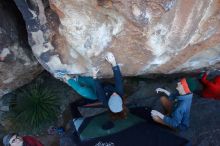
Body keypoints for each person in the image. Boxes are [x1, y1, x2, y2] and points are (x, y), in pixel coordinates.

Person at [60, 52, 127, 120]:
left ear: (109, 101)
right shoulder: (120, 92)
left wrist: (94, 75)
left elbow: (99, 89)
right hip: (102, 85)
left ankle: (67, 78)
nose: (114, 93)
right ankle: (78, 79)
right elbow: (118, 78)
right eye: (117, 95)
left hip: (96, 93)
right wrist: (113, 62)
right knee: (89, 80)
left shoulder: (103, 100)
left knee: (82, 90)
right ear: (120, 99)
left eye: (113, 96)